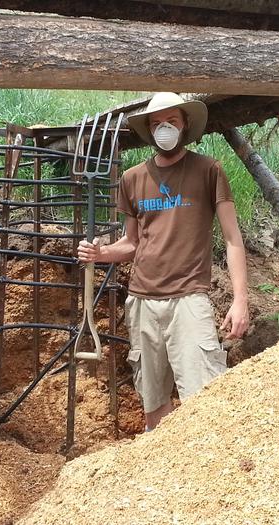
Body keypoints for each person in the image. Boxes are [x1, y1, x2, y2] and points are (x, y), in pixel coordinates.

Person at [78, 92, 249, 431]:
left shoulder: (208, 171)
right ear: (149, 131)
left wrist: (240, 299)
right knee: (153, 402)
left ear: (185, 125)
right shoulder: (132, 179)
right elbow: (131, 243)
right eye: (156, 124)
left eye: (171, 121)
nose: (164, 129)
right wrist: (100, 253)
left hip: (189, 299)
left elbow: (233, 238)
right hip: (142, 302)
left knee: (205, 399)